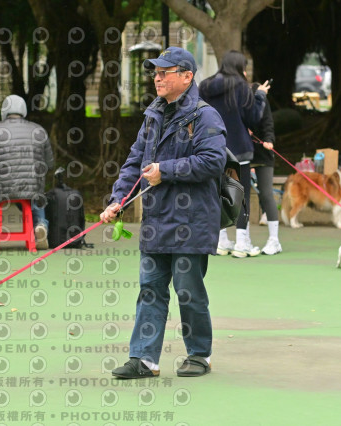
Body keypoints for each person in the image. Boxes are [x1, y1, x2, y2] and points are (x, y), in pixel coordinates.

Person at [100, 47, 227, 379]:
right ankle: (144, 359)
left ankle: (199, 354)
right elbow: (134, 163)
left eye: (164, 72)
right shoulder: (152, 115)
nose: (157, 78)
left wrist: (165, 170)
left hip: (192, 221)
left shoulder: (206, 116)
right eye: (155, 73)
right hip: (156, 221)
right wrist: (118, 199)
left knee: (188, 290)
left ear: (187, 76)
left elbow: (213, 161)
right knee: (150, 288)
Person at [198, 50, 270, 258]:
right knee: (241, 196)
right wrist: (260, 95)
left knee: (218, 194)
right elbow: (253, 118)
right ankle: (242, 243)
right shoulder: (241, 86)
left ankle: (221, 241)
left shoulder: (205, 86)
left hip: (211, 148)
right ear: (240, 67)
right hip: (239, 149)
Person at [0, 95, 54, 250]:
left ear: (4, 111)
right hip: (31, 185)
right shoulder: (38, 130)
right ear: (24, 111)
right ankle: (40, 227)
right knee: (37, 196)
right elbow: (49, 164)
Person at [249, 82, 282, 255]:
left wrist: (269, 140)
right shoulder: (235, 96)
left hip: (263, 154)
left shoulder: (259, 97)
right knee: (240, 196)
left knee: (267, 194)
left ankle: (274, 240)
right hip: (243, 153)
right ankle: (241, 239)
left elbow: (268, 122)